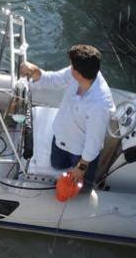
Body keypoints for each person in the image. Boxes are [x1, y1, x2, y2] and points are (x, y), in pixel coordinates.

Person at [20, 44, 115, 188]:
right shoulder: (77, 74)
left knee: (83, 185)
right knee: (56, 164)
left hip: (80, 152)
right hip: (60, 138)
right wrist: (35, 71)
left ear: (77, 73)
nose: (69, 68)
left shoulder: (100, 104)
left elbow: (94, 141)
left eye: (71, 66)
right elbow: (52, 79)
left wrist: (82, 167)